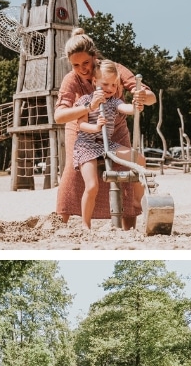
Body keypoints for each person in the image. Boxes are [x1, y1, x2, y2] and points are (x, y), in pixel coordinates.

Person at [54, 29, 156, 229]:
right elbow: (59, 116)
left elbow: (148, 96)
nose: (82, 69)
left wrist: (141, 98)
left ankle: (130, 224)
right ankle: (60, 224)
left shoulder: (113, 69)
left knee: (126, 169)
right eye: (76, 65)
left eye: (86, 63)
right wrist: (88, 108)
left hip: (114, 128)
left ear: (94, 57)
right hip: (82, 129)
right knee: (72, 175)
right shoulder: (72, 80)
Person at [72, 60, 139, 229]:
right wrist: (95, 127)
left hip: (106, 145)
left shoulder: (114, 102)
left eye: (114, 85)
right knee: (92, 185)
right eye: (105, 84)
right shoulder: (86, 101)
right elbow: (81, 125)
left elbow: (127, 108)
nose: (110, 88)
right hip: (86, 145)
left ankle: (139, 201)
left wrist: (136, 105)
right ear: (95, 82)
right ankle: (85, 224)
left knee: (139, 159)